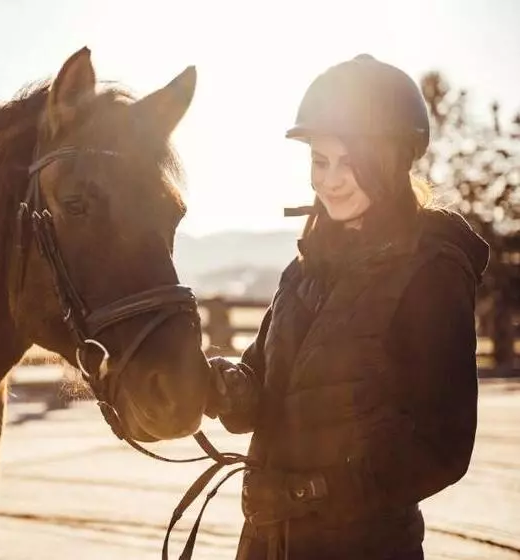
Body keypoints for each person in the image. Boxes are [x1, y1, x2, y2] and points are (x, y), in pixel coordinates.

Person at [205, 54, 490, 560]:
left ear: (391, 162)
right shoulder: (303, 268)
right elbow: (262, 392)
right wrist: (223, 387)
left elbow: (442, 448)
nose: (331, 180)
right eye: (321, 161)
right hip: (266, 546)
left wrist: (309, 492)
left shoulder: (432, 272)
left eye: (350, 161)